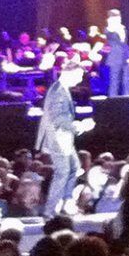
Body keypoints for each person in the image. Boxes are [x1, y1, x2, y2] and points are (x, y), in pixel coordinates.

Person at [37, 64, 93, 217]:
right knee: (63, 173)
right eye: (79, 75)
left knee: (74, 167)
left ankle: (67, 200)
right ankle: (50, 211)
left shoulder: (61, 89)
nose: (81, 79)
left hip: (63, 138)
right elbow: (58, 118)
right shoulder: (58, 91)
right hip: (57, 138)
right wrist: (78, 127)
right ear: (70, 73)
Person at [105, 11, 129, 99]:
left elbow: (124, 43)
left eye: (119, 16)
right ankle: (112, 100)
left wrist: (128, 56)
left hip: (125, 56)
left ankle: (128, 98)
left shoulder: (123, 28)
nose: (119, 18)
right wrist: (117, 28)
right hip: (115, 57)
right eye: (116, 16)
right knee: (114, 80)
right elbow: (112, 36)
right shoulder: (109, 28)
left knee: (127, 79)